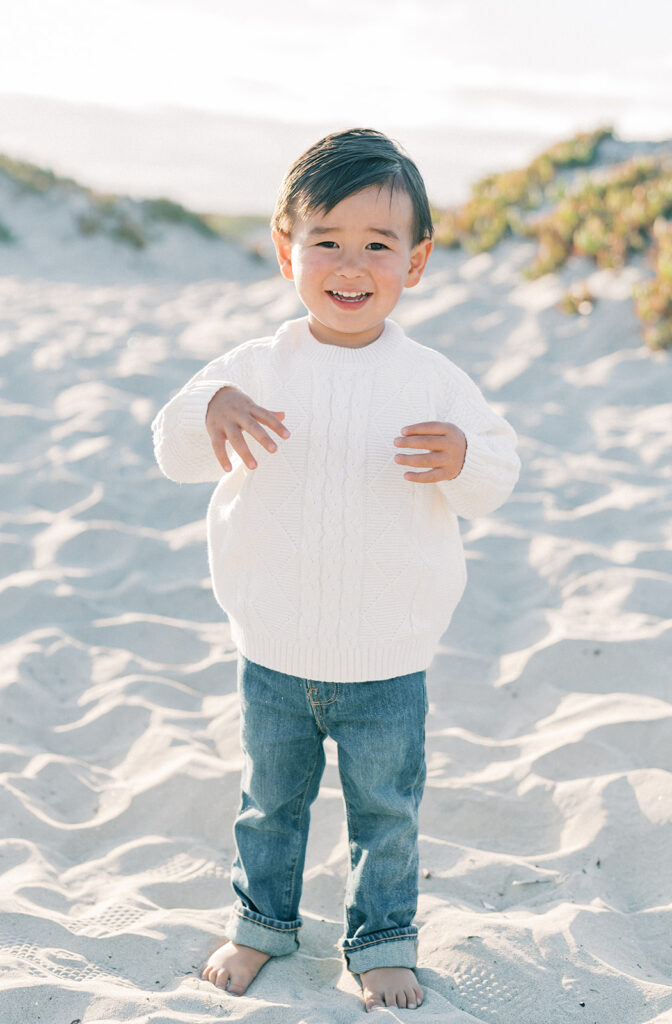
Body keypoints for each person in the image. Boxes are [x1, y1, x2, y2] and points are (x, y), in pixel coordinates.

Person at [152, 128, 520, 1012]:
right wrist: (211, 409)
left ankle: (382, 943)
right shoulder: (254, 367)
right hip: (272, 649)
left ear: (417, 262)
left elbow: (497, 479)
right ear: (287, 248)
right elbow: (170, 448)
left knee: (384, 814)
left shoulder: (432, 381)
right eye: (327, 242)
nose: (349, 266)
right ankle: (260, 925)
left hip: (388, 659)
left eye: (378, 245)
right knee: (268, 807)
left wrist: (465, 455)